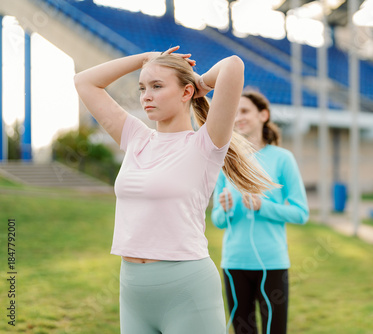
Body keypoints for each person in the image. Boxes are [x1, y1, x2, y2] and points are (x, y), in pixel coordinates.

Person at [74, 46, 274, 334]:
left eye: (157, 86)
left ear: (185, 93)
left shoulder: (205, 144)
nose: (146, 96)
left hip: (187, 289)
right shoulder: (136, 137)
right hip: (133, 288)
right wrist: (144, 59)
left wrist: (200, 83)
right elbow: (84, 81)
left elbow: (233, 65)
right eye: (142, 88)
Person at [211, 90, 309, 334]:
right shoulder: (226, 161)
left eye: (244, 111)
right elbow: (218, 221)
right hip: (234, 263)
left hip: (272, 263)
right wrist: (225, 209)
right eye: (234, 113)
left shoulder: (282, 159)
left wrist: (263, 207)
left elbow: (301, 213)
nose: (237, 118)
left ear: (263, 115)